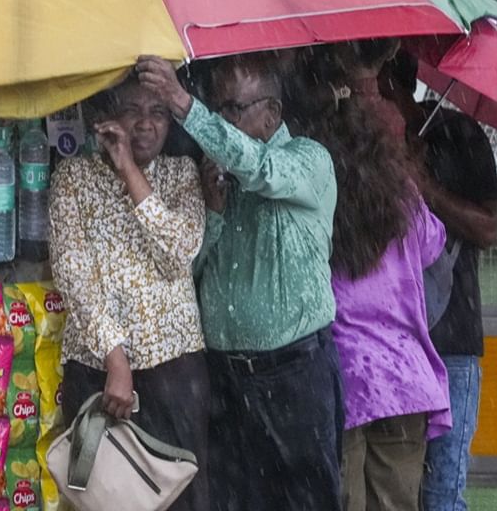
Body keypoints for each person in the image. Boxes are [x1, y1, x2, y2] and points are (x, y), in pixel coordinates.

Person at [135, 53, 343, 511]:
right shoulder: (216, 176)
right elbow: (188, 271)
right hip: (227, 378)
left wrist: (184, 104)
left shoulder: (306, 161)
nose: (221, 121)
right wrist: (213, 212)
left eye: (233, 110)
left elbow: (260, 169)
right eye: (218, 107)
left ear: (272, 114)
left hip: (293, 374)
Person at [297, 42, 451, 511]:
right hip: (404, 377)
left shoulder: (313, 183)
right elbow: (433, 244)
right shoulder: (400, 187)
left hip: (344, 375)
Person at [49, 74, 210, 511]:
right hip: (98, 374)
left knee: (182, 497)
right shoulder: (73, 179)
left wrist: (130, 172)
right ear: (105, 119)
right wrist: (114, 358)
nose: (146, 124)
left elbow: (178, 252)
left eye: (158, 112)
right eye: (133, 111)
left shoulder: (180, 175)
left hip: (175, 372)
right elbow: (74, 274)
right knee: (104, 499)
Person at [380, 50, 497, 511]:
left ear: (392, 84)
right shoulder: (361, 141)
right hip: (384, 343)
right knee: (391, 487)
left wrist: (424, 188)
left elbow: (487, 228)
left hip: (450, 338)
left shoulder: (460, 136)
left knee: (442, 491)